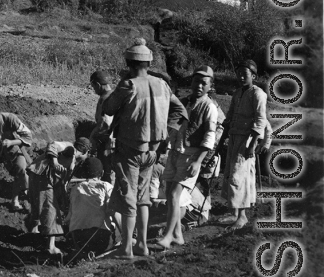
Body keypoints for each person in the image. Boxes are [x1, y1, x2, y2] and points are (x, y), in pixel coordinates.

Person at [102, 38, 187, 259]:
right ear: (149, 63)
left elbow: (109, 108)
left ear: (129, 63)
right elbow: (180, 111)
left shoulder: (128, 85)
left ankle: (126, 248)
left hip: (129, 150)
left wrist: (121, 83)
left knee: (128, 197)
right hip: (152, 152)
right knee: (143, 198)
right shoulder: (162, 85)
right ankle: (142, 245)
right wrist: (166, 132)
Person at [156, 66, 218, 249]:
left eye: (204, 83)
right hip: (175, 151)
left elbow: (210, 136)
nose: (199, 86)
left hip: (192, 155)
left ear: (210, 86)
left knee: (175, 194)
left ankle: (167, 236)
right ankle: (177, 235)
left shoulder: (209, 107)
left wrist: (199, 161)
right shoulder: (184, 103)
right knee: (169, 193)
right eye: (196, 81)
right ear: (191, 82)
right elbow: (173, 126)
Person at [219, 59, 268, 232]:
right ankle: (234, 211)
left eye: (244, 74)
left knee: (240, 176)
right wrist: (222, 138)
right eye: (238, 73)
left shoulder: (258, 94)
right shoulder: (237, 93)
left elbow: (260, 121)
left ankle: (242, 216)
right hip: (234, 137)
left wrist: (252, 145)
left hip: (247, 140)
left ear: (253, 76)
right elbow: (230, 116)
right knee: (230, 174)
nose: (240, 77)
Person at [25, 138, 92, 255]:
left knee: (42, 205)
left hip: (43, 177)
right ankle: (51, 247)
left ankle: (32, 228)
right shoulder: (70, 147)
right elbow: (53, 145)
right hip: (42, 175)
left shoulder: (73, 160)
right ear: (85, 151)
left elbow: (64, 178)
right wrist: (55, 162)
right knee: (51, 208)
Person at [66, 157, 116, 261]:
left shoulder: (75, 188)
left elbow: (69, 217)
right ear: (102, 173)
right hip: (101, 236)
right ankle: (126, 241)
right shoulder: (106, 186)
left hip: (78, 238)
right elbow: (112, 210)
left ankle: (84, 253)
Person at [88, 69, 114, 183]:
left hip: (108, 144)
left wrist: (92, 138)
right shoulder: (115, 96)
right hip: (117, 142)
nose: (94, 90)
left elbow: (104, 124)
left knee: (108, 173)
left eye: (94, 87)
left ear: (98, 84)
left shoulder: (105, 99)